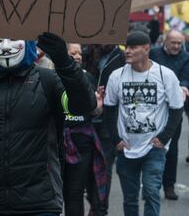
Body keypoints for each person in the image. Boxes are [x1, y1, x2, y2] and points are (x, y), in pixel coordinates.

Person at [0, 33, 97, 215]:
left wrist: (64, 62)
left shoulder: (49, 81)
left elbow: (85, 105)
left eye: (13, 39)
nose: (5, 47)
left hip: (40, 204)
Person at [104, 32, 184, 216]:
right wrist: (116, 139)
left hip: (153, 148)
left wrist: (164, 138)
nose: (128, 51)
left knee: (151, 192)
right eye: (127, 47)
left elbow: (176, 108)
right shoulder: (117, 76)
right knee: (130, 198)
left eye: (133, 47)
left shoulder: (165, 75)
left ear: (146, 49)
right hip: (126, 147)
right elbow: (109, 109)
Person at [62, 43, 106, 216]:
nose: (78, 56)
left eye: (79, 53)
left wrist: (99, 105)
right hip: (57, 142)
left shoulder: (88, 78)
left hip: (82, 142)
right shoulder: (51, 76)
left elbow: (94, 112)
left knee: (74, 193)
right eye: (73, 53)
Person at [82, 44, 125, 215]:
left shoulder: (120, 57)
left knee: (104, 167)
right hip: (86, 119)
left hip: (108, 120)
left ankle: (100, 209)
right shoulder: (85, 54)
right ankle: (94, 201)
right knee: (85, 167)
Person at [149, 29, 189, 200]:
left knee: (171, 149)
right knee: (151, 147)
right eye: (173, 42)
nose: (176, 46)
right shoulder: (154, 53)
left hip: (174, 108)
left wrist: (183, 89)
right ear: (165, 41)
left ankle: (169, 186)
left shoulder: (186, 57)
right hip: (153, 109)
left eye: (179, 43)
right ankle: (151, 187)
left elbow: (186, 79)